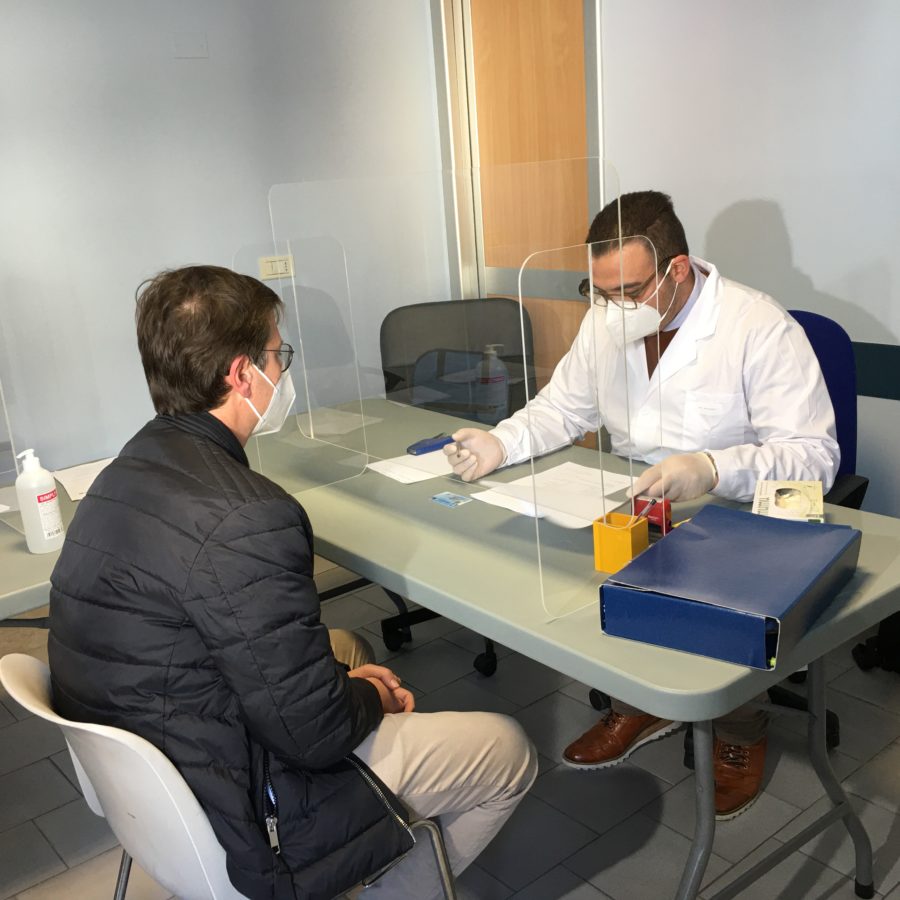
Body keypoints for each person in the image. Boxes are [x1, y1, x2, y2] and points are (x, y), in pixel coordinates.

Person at [48, 266, 537, 900]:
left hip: (147, 777)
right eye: (279, 354)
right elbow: (314, 736)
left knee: (347, 647)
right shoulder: (246, 517)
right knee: (508, 749)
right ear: (240, 373)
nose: (283, 371)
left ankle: (379, 848)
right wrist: (369, 697)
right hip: (242, 810)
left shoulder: (124, 469)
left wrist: (346, 683)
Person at [444, 191, 838, 820]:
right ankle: (637, 705)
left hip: (737, 517)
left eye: (628, 290)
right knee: (595, 592)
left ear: (677, 269)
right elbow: (562, 408)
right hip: (634, 504)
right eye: (600, 291)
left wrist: (712, 468)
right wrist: (501, 442)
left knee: (715, 610)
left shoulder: (757, 326)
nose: (612, 308)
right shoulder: (607, 319)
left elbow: (814, 457)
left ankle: (740, 731)